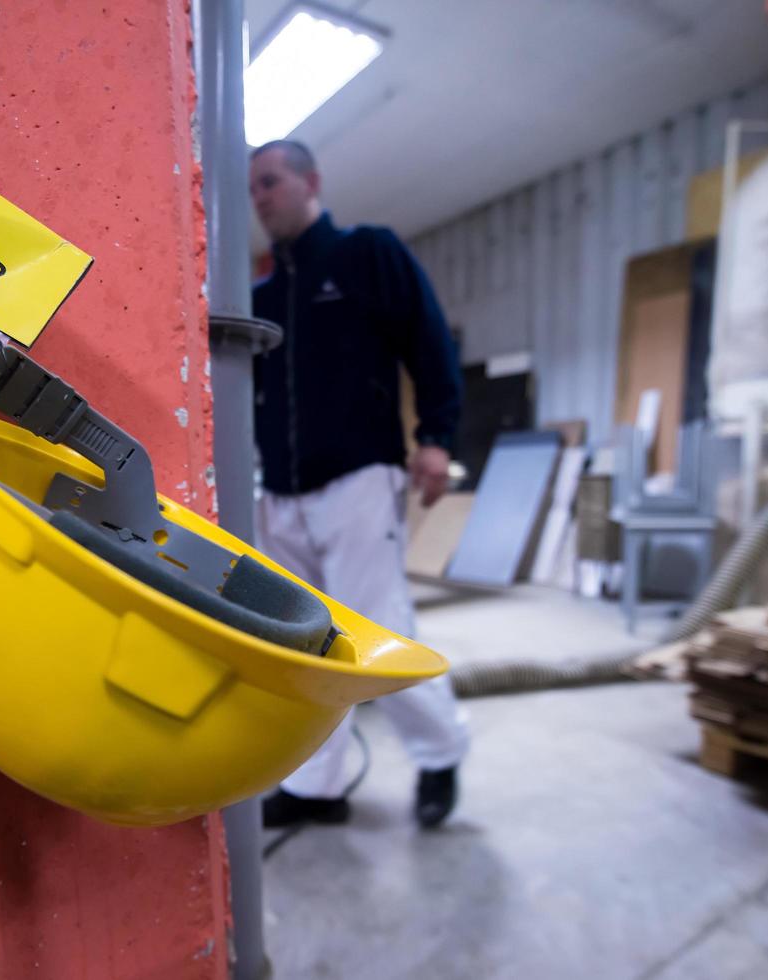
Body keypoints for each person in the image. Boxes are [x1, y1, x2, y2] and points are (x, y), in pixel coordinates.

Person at [248, 139, 470, 830]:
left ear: (310, 182)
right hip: (278, 493)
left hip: (357, 482)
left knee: (373, 633)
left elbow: (429, 343)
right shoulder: (261, 296)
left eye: (272, 182)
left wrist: (434, 437)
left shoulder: (367, 254)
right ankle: (319, 786)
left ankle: (439, 752)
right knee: (303, 644)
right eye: (252, 188)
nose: (260, 198)